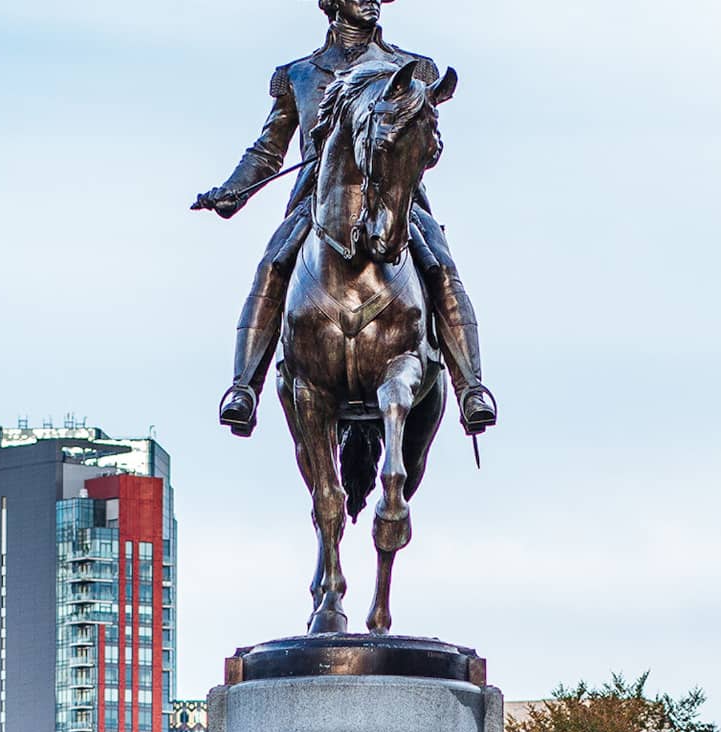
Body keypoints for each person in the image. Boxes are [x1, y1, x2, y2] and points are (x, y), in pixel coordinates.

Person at [194, 0, 498, 439]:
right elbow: (268, 150)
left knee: (441, 267)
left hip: (395, 200)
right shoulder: (299, 75)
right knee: (272, 266)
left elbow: (427, 140)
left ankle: (470, 387)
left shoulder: (410, 68)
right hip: (319, 202)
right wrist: (231, 191)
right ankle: (244, 387)